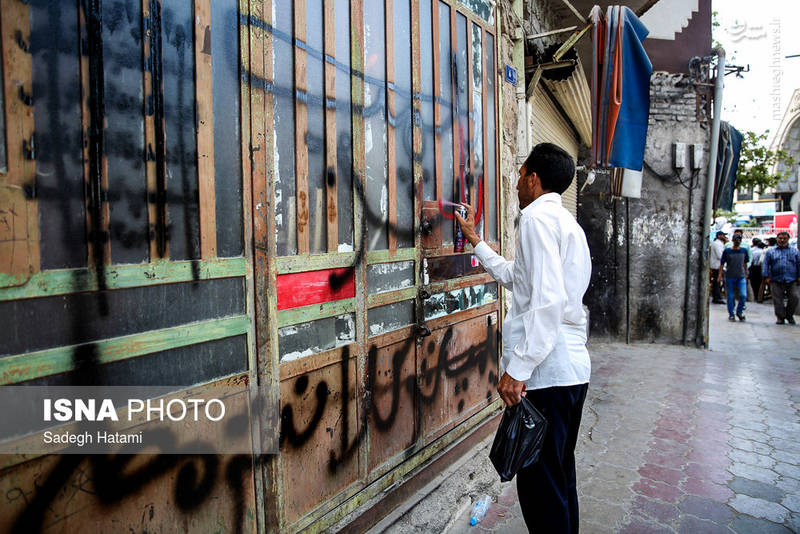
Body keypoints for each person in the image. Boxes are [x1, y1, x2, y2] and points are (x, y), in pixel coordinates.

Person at [455, 143, 591, 534]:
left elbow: (546, 301)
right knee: (560, 477)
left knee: (540, 486)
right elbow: (521, 277)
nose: (515, 183)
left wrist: (519, 369)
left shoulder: (534, 219)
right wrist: (476, 241)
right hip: (571, 370)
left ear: (533, 178)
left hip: (548, 373)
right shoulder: (567, 224)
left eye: (519, 174)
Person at [762, 231, 800, 325]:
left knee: (795, 297)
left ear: (788, 239)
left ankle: (789, 315)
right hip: (776, 279)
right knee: (778, 299)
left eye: (784, 238)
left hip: (792, 278)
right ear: (777, 239)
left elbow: (799, 264)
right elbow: (766, 264)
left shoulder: (794, 251)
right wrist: (766, 276)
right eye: (780, 238)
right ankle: (780, 317)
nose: (782, 240)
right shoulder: (770, 251)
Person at [718, 233, 749, 321]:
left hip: (741, 276)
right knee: (730, 297)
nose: (737, 241)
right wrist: (720, 275)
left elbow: (745, 263)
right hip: (730, 276)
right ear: (733, 241)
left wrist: (746, 274)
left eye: (739, 240)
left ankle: (739, 311)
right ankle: (731, 313)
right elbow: (722, 263)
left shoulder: (744, 251)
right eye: (736, 240)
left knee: (743, 295)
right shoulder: (727, 251)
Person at [710, 231, 727, 304]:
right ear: (719, 236)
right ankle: (716, 297)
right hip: (717, 265)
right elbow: (720, 255)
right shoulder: (717, 244)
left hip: (718, 265)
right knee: (717, 282)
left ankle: (717, 296)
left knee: (718, 282)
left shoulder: (719, 243)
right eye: (723, 235)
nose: (724, 237)